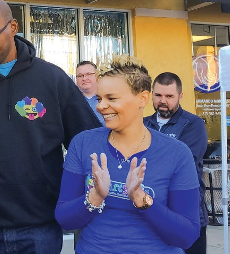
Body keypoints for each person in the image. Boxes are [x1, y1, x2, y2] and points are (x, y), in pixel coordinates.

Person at [0, 0, 101, 254]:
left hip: (41, 229)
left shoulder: (52, 80)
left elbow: (88, 144)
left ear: (13, 27)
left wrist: (77, 203)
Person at [55, 56, 200, 253]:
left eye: (111, 98)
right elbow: (65, 219)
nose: (100, 106)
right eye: (99, 98)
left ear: (142, 98)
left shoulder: (177, 153)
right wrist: (95, 197)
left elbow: (187, 236)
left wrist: (143, 200)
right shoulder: (83, 144)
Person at [144, 72, 209, 254]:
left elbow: (183, 164)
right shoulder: (143, 124)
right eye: (158, 95)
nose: (163, 101)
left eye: (169, 96)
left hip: (187, 214)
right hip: (152, 212)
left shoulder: (193, 124)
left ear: (180, 96)